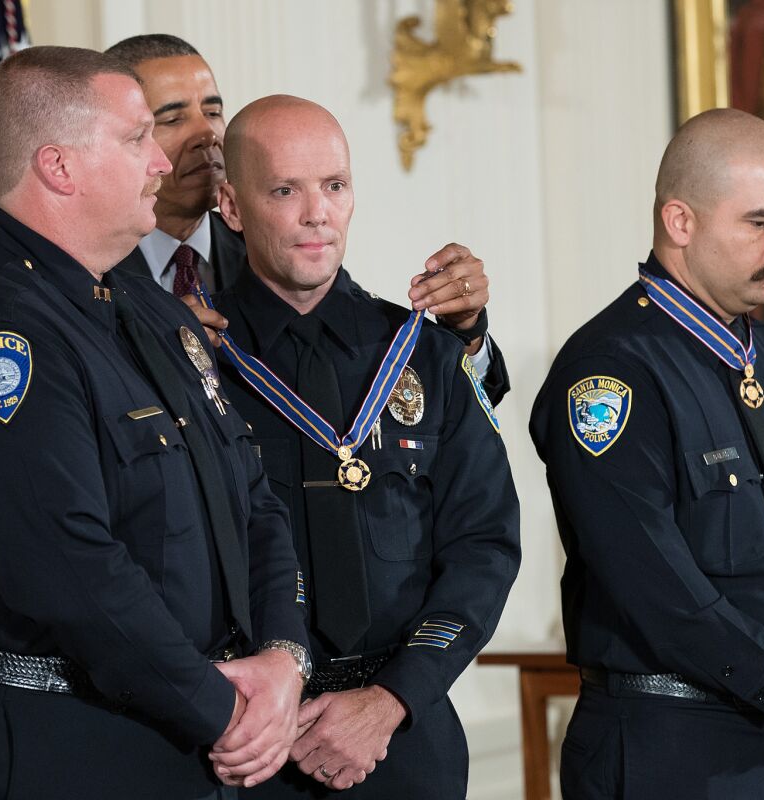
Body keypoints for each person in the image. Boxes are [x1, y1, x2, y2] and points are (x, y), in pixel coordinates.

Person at [0, 46, 311, 799]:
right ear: (59, 167)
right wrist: (227, 714)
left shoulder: (143, 303)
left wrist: (285, 659)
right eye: (135, 138)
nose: (163, 161)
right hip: (46, 745)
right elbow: (67, 568)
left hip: (174, 737)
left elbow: (253, 494)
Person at [529, 107, 764, 799]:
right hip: (669, 744)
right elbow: (651, 579)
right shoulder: (612, 371)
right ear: (680, 222)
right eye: (760, 222)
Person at [200, 94, 519, 798]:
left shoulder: (422, 356)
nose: (318, 213)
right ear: (231, 204)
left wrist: (394, 699)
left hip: (404, 734)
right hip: (247, 743)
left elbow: (485, 545)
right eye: (285, 190)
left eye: (335, 186)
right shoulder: (199, 363)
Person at [103, 34, 509, 403]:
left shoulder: (276, 247)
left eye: (213, 111)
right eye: (172, 118)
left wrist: (467, 333)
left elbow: (396, 399)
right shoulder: (89, 269)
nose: (207, 135)